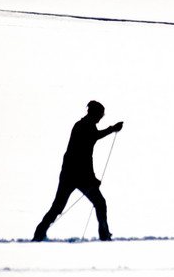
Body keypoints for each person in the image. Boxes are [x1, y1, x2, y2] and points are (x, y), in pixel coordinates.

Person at [33, 101, 123, 241]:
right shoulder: (85, 127)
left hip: (69, 174)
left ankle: (39, 233)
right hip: (78, 175)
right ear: (94, 114)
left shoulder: (83, 125)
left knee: (57, 207)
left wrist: (112, 129)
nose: (101, 118)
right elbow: (84, 156)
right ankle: (104, 235)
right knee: (99, 203)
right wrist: (112, 129)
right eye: (101, 114)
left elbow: (92, 143)